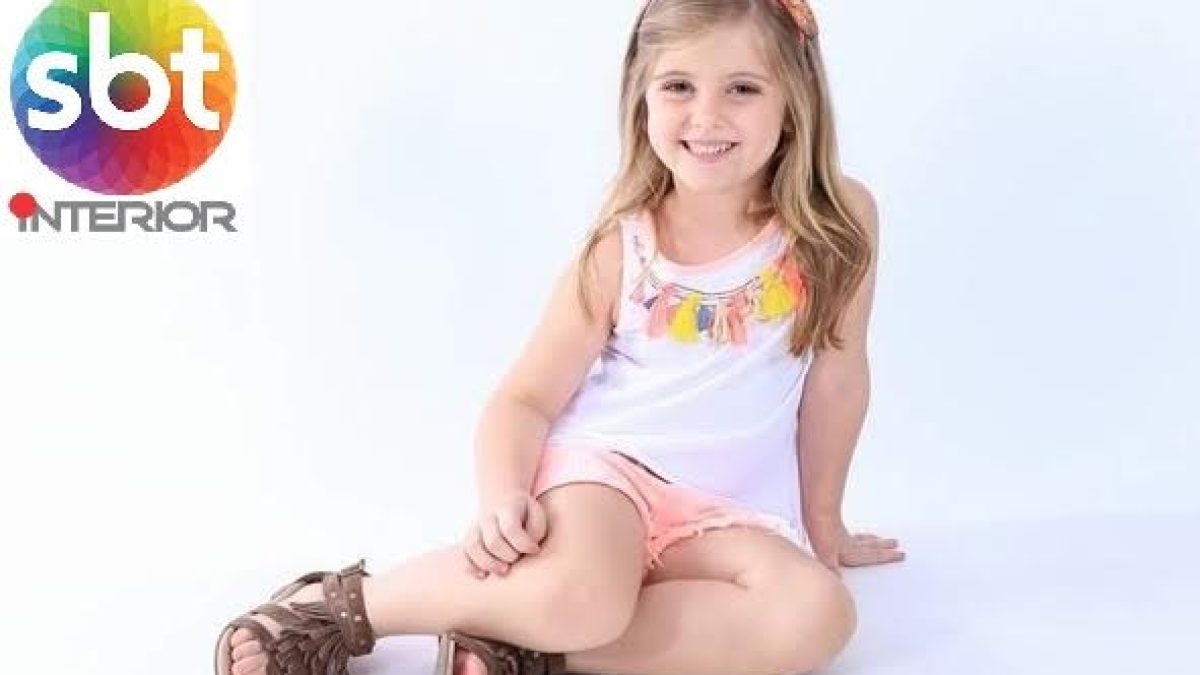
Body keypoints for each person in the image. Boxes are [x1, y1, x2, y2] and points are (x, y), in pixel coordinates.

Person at [214, 1, 905, 673]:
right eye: (678, 87)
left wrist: (825, 525)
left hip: (730, 514)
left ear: (795, 101)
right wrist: (503, 495)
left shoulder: (839, 223)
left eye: (743, 89)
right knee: (583, 594)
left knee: (816, 614)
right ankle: (343, 606)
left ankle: (524, 647)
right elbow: (524, 398)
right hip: (607, 480)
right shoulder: (624, 246)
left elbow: (838, 378)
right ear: (641, 97)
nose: (707, 116)